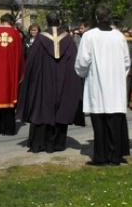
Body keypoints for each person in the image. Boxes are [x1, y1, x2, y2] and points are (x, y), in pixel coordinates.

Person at [17, 12, 83, 153]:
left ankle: (39, 143)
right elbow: (74, 63)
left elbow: (31, 63)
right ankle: (57, 143)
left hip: (43, 83)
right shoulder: (68, 40)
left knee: (42, 108)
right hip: (63, 82)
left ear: (47, 22)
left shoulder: (40, 39)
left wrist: (30, 81)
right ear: (58, 22)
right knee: (59, 108)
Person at [75, 4, 131, 166]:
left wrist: (82, 73)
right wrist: (120, 76)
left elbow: (83, 61)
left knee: (99, 124)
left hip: (97, 84)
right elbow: (126, 61)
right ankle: (115, 156)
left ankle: (101, 156)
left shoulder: (89, 36)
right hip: (115, 85)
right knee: (114, 122)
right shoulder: (119, 36)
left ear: (96, 17)